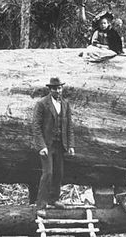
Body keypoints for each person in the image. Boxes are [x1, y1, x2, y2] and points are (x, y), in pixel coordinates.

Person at [33, 77, 75, 211]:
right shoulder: (42, 104)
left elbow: (69, 127)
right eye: (55, 88)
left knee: (59, 173)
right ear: (50, 90)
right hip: (47, 145)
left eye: (60, 88)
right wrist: (41, 146)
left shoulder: (65, 104)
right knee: (48, 173)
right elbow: (36, 126)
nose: (58, 91)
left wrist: (71, 145)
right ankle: (41, 204)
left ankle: (54, 199)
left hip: (60, 145)